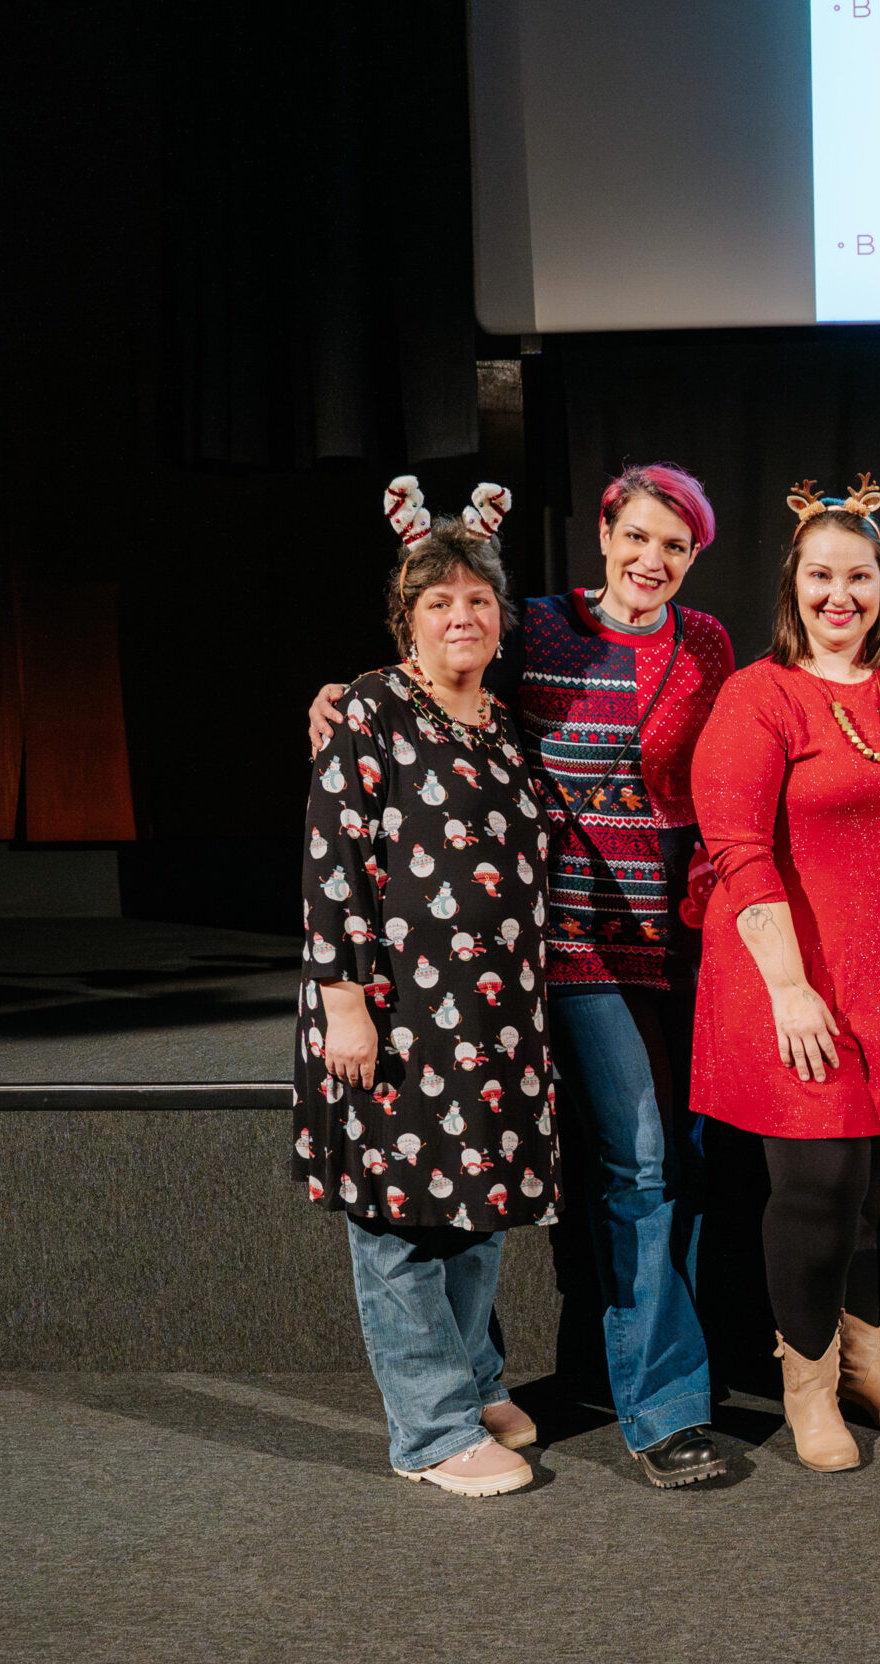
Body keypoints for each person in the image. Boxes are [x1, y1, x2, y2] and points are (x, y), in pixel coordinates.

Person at [309, 462, 737, 1489]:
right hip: (524, 963)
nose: (651, 559)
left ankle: (491, 1382)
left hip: (593, 966)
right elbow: (355, 824)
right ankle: (490, 1419)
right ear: (604, 532)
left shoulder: (698, 649)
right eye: (636, 535)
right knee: (503, 1184)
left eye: (674, 545)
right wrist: (338, 699)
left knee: (510, 1182)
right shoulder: (526, 631)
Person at [688, 476, 880, 1472]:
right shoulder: (757, 695)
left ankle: (863, 1364)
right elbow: (735, 846)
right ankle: (805, 1385)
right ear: (791, 585)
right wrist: (790, 987)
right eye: (819, 576)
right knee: (817, 1189)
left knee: (872, 1190)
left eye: (858, 577)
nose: (838, 595)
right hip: (792, 979)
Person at [295, 477, 558, 1497]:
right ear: (406, 616)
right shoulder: (369, 710)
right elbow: (333, 861)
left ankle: (475, 1381)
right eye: (438, 600)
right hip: (393, 1018)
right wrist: (345, 1003)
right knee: (402, 1222)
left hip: (491, 1024)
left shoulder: (502, 722)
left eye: (478, 599)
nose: (461, 616)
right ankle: (433, 1432)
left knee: (475, 1211)